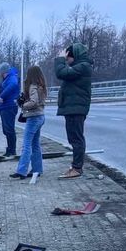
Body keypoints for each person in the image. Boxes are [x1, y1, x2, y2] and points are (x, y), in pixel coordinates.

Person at [54, 42, 92, 178]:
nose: (67, 60)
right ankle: (75, 167)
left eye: (68, 57)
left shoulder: (83, 67)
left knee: (76, 139)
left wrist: (60, 59)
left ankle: (77, 168)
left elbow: (61, 73)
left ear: (74, 56)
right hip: (73, 108)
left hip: (76, 108)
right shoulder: (79, 67)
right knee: (74, 138)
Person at [12, 65, 48, 181]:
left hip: (33, 117)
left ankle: (21, 170)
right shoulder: (41, 86)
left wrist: (23, 105)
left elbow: (34, 101)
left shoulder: (32, 86)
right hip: (40, 116)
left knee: (26, 145)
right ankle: (37, 169)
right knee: (35, 144)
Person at [0, 62, 20, 158]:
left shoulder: (12, 78)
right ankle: (10, 149)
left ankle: (12, 150)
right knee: (6, 129)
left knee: (9, 129)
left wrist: (2, 96)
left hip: (9, 106)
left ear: (3, 72)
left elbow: (13, 85)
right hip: (5, 107)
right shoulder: (7, 79)